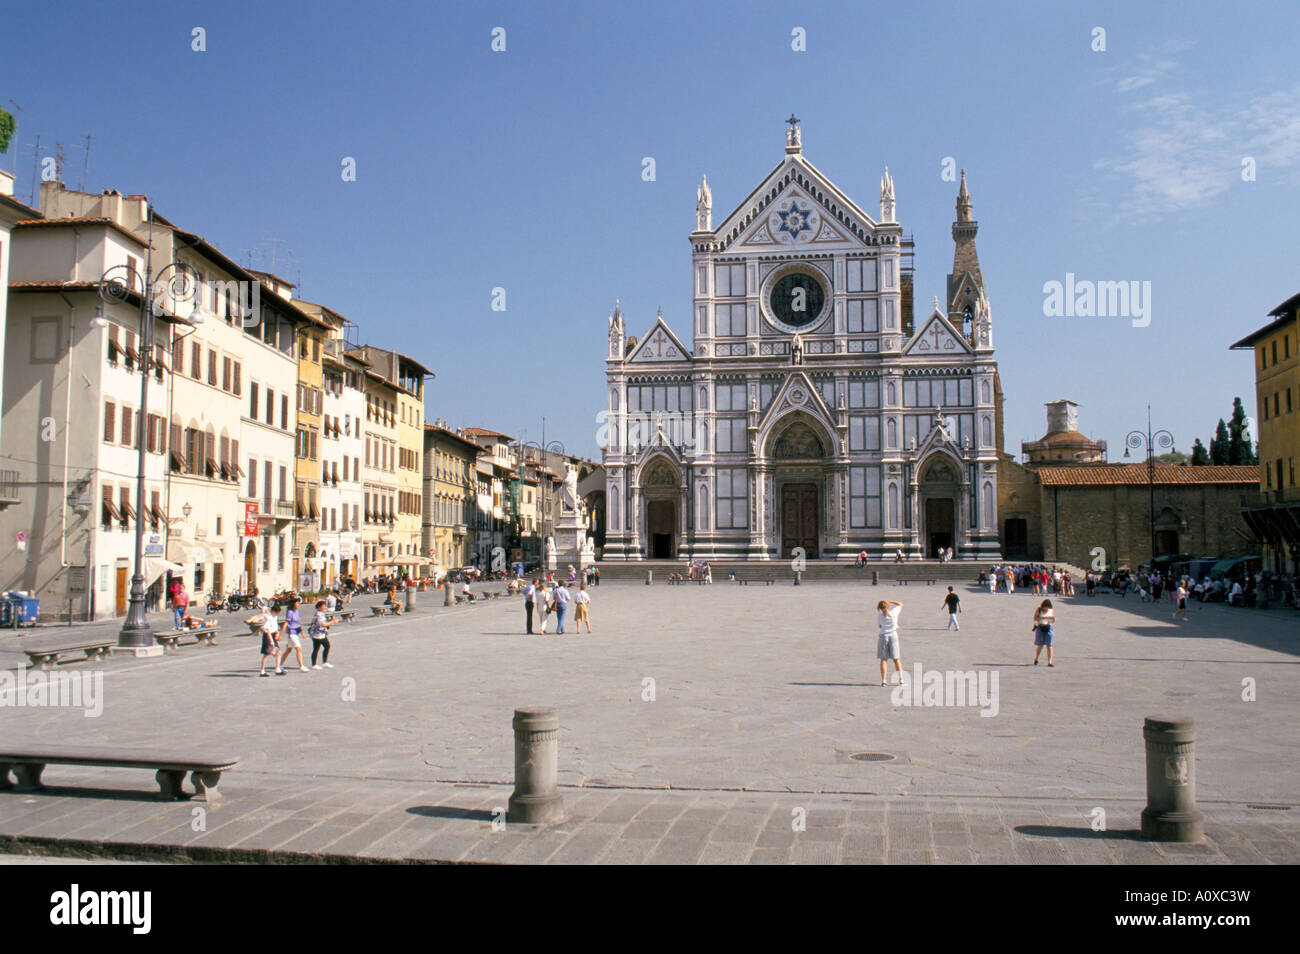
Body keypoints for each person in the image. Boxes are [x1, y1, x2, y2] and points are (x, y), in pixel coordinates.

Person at [876, 599, 905, 687]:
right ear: (887, 606)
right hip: (893, 635)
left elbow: (880, 625)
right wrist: (891, 601)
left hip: (883, 636)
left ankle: (884, 680)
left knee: (883, 659)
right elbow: (900, 603)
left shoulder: (879, 615)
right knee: (896, 659)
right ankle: (901, 680)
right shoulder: (894, 613)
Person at [251, 599, 281, 677]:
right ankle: (262, 671)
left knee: (278, 652)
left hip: (273, 635)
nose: (277, 614)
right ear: (274, 611)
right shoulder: (269, 618)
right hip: (268, 636)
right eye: (277, 612)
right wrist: (271, 640)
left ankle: (277, 669)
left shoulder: (275, 617)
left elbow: (275, 627)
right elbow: (267, 629)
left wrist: (277, 634)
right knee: (266, 654)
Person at [278, 597, 309, 672]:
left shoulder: (297, 612)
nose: (298, 604)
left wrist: (302, 633)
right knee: (299, 648)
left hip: (296, 632)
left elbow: (298, 624)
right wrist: (281, 634)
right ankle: (301, 666)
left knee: (288, 650)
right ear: (293, 604)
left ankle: (279, 665)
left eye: (299, 603)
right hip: (292, 633)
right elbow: (286, 623)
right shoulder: (290, 612)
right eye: (297, 603)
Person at [309, 600, 335, 669]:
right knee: (324, 646)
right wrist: (332, 622)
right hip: (317, 634)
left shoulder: (321, 613)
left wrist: (328, 624)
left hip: (320, 633)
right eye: (323, 606)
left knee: (319, 648)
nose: (324, 607)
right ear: (319, 607)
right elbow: (322, 624)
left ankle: (321, 663)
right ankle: (317, 664)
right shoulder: (318, 614)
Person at [1032, 599, 1055, 666]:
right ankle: (1036, 658)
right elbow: (1035, 618)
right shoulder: (1039, 609)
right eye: (1045, 607)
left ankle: (1050, 662)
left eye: (1047, 608)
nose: (1046, 609)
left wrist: (1050, 619)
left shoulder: (1051, 610)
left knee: (1049, 645)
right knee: (1040, 645)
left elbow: (1053, 620)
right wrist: (1042, 618)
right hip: (1040, 627)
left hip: (1048, 627)